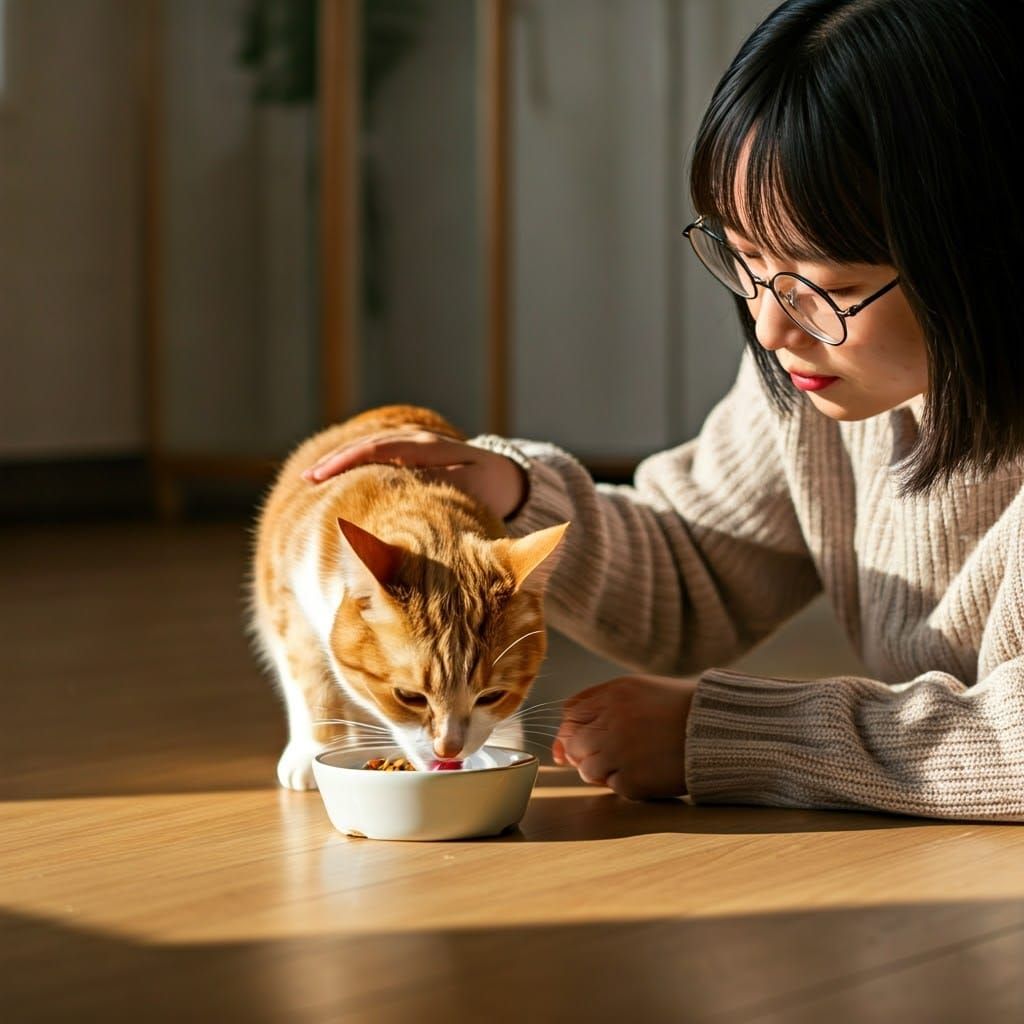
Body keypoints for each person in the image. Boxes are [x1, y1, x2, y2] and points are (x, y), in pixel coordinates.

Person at [302, 0, 1024, 821]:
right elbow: (696, 576)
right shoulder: (813, 375)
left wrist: (734, 736)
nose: (769, 323)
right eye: (746, 259)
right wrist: (510, 496)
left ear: (987, 247)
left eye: (833, 285)